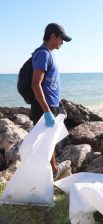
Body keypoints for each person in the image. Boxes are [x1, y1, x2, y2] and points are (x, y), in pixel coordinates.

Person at [31, 23, 72, 179]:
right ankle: (48, 173)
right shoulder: (43, 54)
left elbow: (49, 84)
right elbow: (35, 84)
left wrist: (58, 104)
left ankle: (53, 170)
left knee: (50, 141)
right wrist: (47, 111)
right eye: (61, 39)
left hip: (52, 105)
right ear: (53, 35)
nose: (62, 42)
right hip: (44, 107)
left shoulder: (48, 53)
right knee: (45, 143)